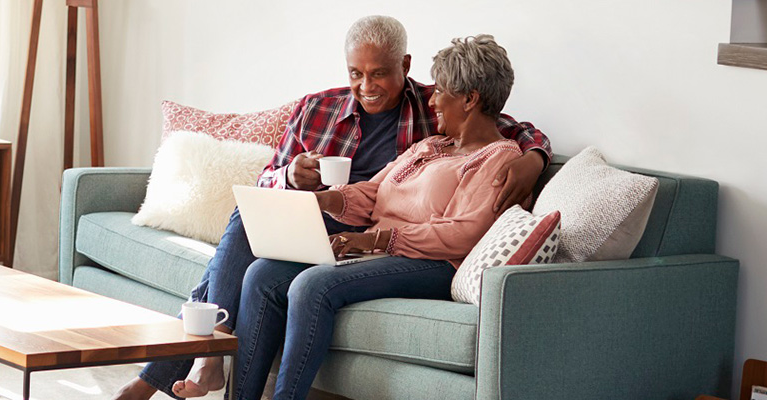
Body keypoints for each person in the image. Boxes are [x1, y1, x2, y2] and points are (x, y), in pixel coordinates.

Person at [112, 16, 553, 400]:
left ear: (407, 68)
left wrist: (534, 158)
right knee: (260, 266)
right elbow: (371, 190)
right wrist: (311, 193)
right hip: (348, 229)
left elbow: (472, 212)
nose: (366, 86)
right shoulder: (427, 142)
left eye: (379, 73)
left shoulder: (489, 152)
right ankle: (223, 369)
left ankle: (206, 362)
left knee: (309, 285)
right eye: (355, 73)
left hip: (411, 251)